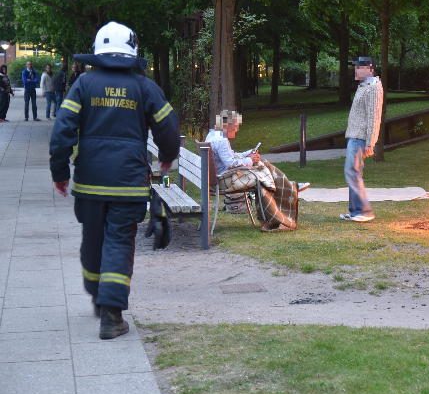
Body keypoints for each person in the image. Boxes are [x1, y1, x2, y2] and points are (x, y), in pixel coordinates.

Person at [50, 21, 179, 340]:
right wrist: (167, 155)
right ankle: (111, 314)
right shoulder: (144, 87)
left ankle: (98, 296)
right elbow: (168, 126)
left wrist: (60, 173)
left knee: (92, 240)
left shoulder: (83, 84)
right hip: (128, 181)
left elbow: (62, 129)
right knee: (120, 242)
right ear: (132, 51)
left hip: (90, 182)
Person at [205, 109, 309, 231]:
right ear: (227, 125)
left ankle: (287, 188)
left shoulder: (213, 135)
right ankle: (289, 189)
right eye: (236, 127)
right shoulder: (222, 140)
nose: (237, 130)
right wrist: (250, 160)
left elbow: (230, 156)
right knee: (263, 176)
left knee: (263, 168)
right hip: (226, 179)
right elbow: (230, 163)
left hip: (222, 176)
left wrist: (248, 154)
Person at [341, 56, 383, 222]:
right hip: (354, 136)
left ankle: (364, 212)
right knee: (352, 172)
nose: (356, 70)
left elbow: (374, 117)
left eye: (360, 67)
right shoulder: (363, 86)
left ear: (370, 69)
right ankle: (355, 211)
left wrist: (370, 143)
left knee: (353, 172)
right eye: (356, 67)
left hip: (361, 138)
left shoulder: (373, 88)